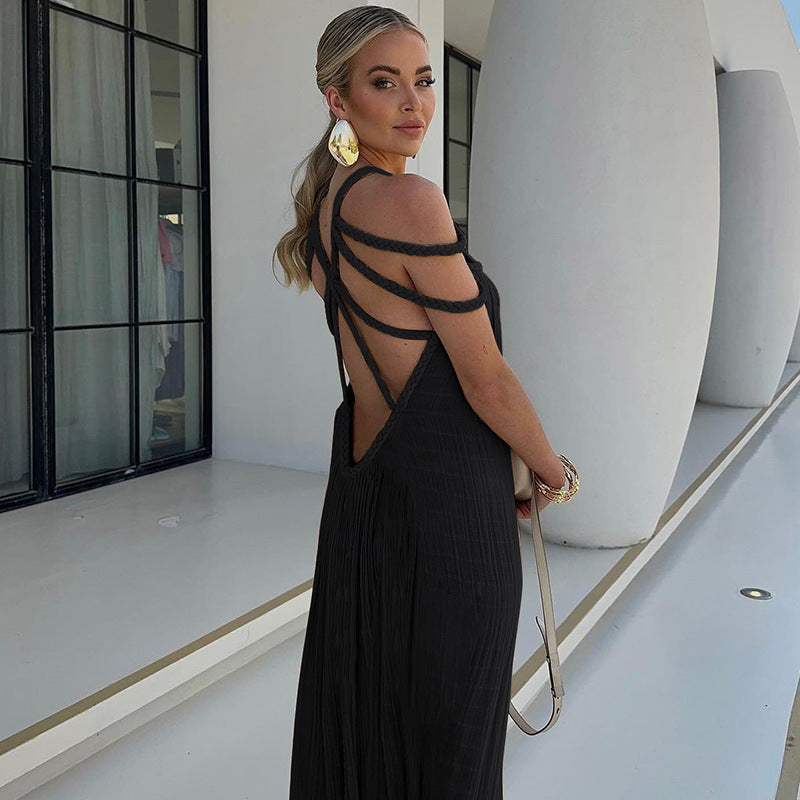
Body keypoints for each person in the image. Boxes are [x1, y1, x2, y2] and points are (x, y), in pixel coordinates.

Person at [272, 6, 567, 797]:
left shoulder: (328, 207)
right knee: (451, 745)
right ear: (338, 99)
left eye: (424, 80)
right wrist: (552, 469)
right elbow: (486, 378)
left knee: (375, 723)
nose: (414, 103)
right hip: (448, 508)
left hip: (369, 503)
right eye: (385, 83)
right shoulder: (408, 201)